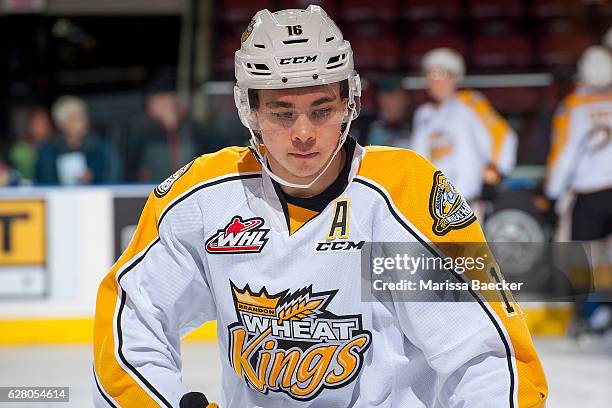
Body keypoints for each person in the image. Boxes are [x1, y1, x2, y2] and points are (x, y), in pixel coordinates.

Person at [93, 6, 547, 408]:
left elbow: (485, 354)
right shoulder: (201, 197)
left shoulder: (402, 192)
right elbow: (130, 322)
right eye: (282, 112)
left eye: (321, 109)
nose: (304, 133)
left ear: (350, 103)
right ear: (249, 110)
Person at [545, 45, 612, 335]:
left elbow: (564, 152)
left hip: (589, 194)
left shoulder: (573, 106)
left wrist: (552, 194)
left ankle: (583, 317)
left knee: (582, 259)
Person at [411, 48, 517, 205]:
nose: (435, 81)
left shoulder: (471, 103)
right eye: (430, 75)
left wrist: (496, 168)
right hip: (433, 200)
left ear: (454, 77)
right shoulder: (423, 114)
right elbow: (417, 155)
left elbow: (503, 135)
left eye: (441, 74)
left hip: (467, 197)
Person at [35, 96, 121, 185]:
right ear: (60, 123)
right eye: (73, 118)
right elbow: (43, 182)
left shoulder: (101, 148)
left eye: (82, 117)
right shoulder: (48, 151)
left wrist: (94, 176)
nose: (80, 122)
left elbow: (112, 178)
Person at [364, 77, 412, 148]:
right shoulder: (366, 126)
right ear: (380, 99)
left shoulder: (417, 123)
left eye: (399, 96)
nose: (395, 102)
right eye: (390, 96)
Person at [9, 106, 53, 182]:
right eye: (37, 123)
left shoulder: (55, 147)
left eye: (45, 123)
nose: (42, 126)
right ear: (29, 125)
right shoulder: (20, 149)